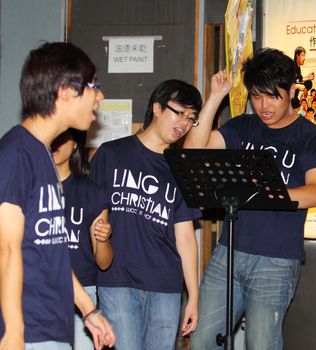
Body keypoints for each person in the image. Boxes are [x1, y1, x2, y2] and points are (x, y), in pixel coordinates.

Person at [185, 48, 316, 349]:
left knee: (261, 344)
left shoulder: (310, 136)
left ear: (292, 90)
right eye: (256, 96)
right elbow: (193, 152)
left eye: (272, 96)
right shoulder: (242, 126)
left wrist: (262, 193)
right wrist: (214, 98)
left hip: (276, 261)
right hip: (228, 252)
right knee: (201, 340)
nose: (264, 106)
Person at [0, 42, 115, 350]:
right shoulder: (15, 154)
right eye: (93, 86)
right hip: (28, 331)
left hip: (55, 325)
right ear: (65, 91)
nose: (99, 96)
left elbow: (52, 252)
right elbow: (7, 250)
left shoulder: (43, 157)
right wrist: (13, 333)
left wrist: (88, 310)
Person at [89, 80, 202, 350]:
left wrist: (194, 297)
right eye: (179, 112)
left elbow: (185, 238)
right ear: (157, 108)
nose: (184, 123)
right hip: (117, 280)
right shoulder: (111, 154)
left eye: (191, 118)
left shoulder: (180, 170)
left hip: (165, 284)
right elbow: (94, 219)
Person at [51, 129, 114, 350]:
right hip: (42, 288)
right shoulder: (31, 188)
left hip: (84, 290)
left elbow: (104, 262)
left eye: (64, 137)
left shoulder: (92, 192)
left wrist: (103, 238)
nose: (56, 143)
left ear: (76, 144)